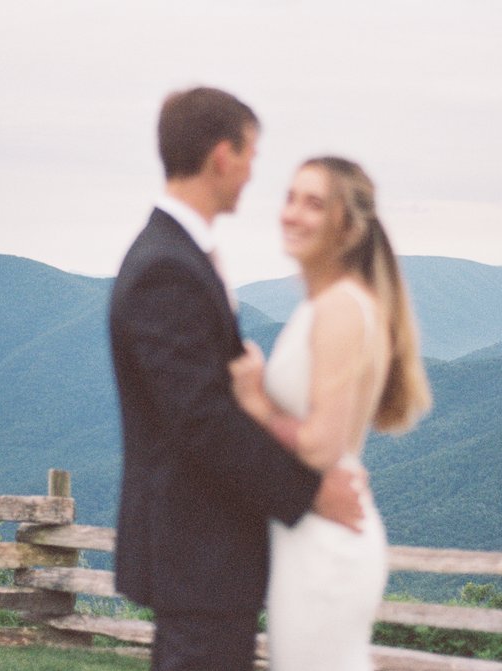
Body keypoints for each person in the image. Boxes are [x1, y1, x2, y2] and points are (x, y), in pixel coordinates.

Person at [108, 87, 366, 671]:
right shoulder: (167, 268)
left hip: (205, 554)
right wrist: (309, 493)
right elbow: (201, 420)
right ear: (222, 155)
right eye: (251, 154)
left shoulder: (178, 256)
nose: (254, 173)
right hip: (199, 552)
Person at [229, 156, 432, 671]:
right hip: (309, 533)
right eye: (291, 197)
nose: (293, 213)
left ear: (348, 225)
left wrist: (255, 401)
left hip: (326, 544)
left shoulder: (341, 307)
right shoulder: (328, 303)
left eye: (314, 203)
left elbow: (321, 444)